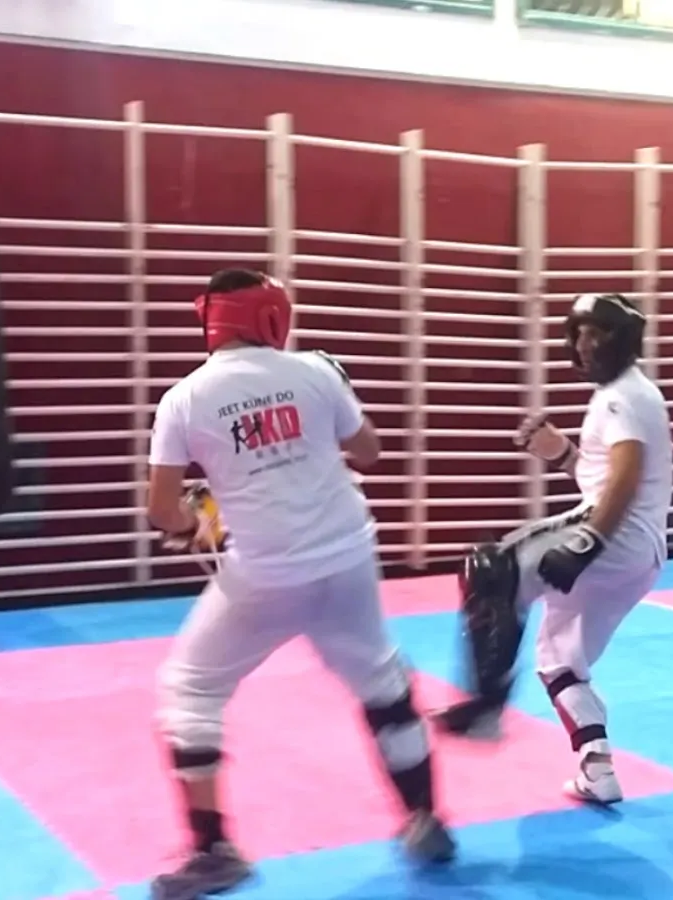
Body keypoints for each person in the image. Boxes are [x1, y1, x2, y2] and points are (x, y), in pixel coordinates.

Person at [145, 268, 457, 900]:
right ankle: (425, 816)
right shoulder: (316, 370)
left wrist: (193, 523)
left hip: (266, 572)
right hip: (348, 555)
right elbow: (369, 452)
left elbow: (161, 510)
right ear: (270, 316)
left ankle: (213, 851)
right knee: (380, 679)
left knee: (191, 688)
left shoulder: (184, 398)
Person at [430, 292, 673, 806]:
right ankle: (597, 769)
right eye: (578, 335)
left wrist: (589, 541)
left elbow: (625, 478)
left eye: (595, 335)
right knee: (558, 661)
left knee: (491, 567)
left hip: (618, 536)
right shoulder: (632, 393)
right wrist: (562, 453)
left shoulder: (622, 396)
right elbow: (602, 476)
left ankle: (486, 707)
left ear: (620, 340)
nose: (583, 346)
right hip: (641, 557)